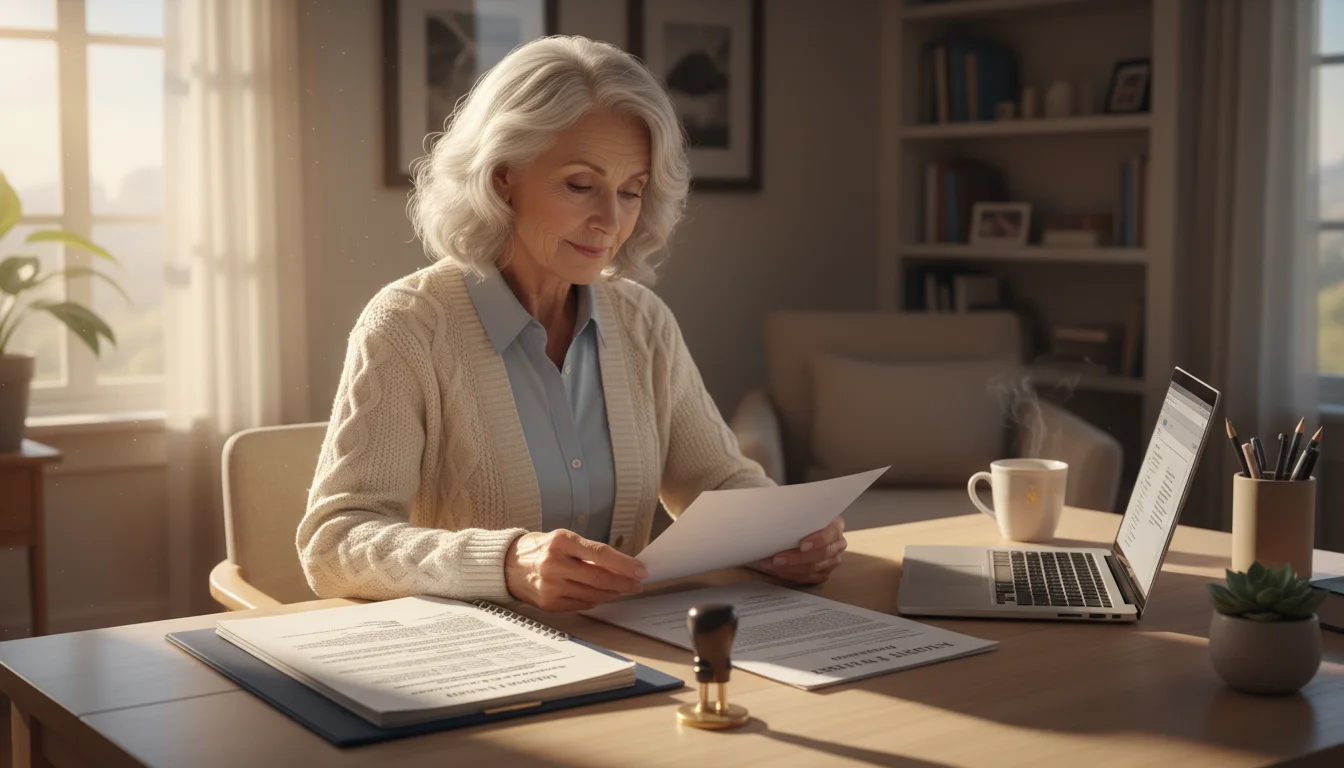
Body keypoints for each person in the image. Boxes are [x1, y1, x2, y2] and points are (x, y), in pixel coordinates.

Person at [296, 36, 847, 612]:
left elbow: (719, 483)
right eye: (580, 185)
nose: (610, 221)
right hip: (474, 664)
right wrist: (507, 563)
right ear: (502, 176)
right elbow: (333, 543)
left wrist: (790, 534)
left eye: (631, 192)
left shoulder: (642, 322)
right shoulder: (408, 326)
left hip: (633, 649)